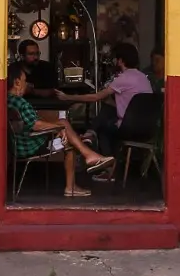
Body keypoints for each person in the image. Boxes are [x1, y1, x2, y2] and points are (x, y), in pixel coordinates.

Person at [7, 66, 114, 197]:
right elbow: (36, 125)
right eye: (25, 81)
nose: (27, 84)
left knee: (64, 127)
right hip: (31, 145)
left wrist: (57, 127)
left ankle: (87, 154)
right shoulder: (21, 103)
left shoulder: (7, 100)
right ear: (17, 82)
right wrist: (58, 128)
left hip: (18, 144)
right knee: (67, 137)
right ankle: (74, 181)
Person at [56, 43, 152, 155]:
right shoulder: (143, 77)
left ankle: (105, 159)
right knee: (108, 107)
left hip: (128, 127)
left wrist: (67, 97)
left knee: (103, 129)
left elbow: (96, 97)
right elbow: (130, 104)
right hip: (147, 127)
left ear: (120, 60)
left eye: (115, 58)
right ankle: (90, 134)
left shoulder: (123, 79)